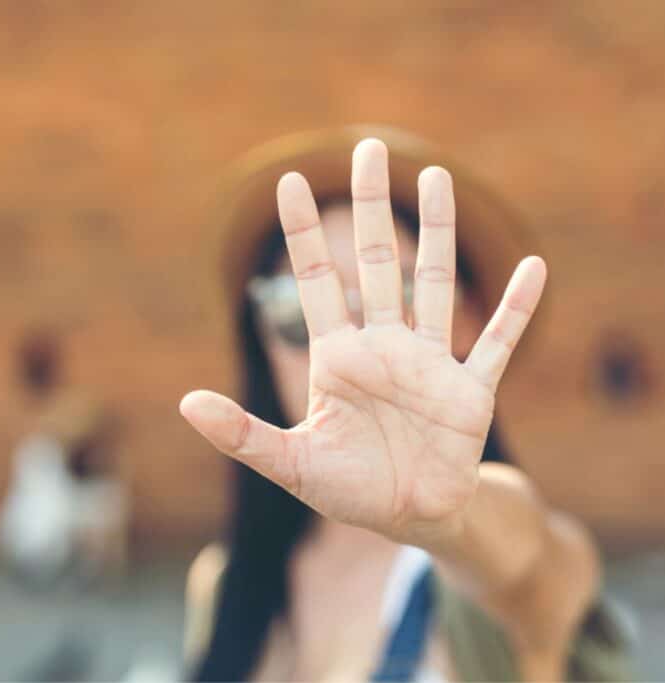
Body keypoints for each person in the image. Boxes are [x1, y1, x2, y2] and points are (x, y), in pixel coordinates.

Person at [179, 126, 631, 681]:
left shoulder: (498, 574)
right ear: (261, 342)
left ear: (465, 323)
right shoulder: (224, 585)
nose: (344, 347)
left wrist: (448, 517)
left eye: (388, 299)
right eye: (297, 311)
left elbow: (530, 564)